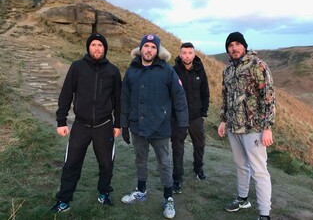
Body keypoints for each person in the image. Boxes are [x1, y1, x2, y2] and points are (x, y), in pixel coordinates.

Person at [50, 33, 122, 213]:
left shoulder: (113, 71)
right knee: (71, 164)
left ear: (105, 48)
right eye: (93, 45)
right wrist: (61, 121)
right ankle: (64, 200)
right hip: (80, 125)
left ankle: (104, 193)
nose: (97, 48)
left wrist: (118, 124)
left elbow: (119, 100)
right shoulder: (77, 67)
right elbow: (66, 94)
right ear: (88, 48)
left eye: (100, 45)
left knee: (106, 164)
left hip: (104, 126)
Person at [120, 34, 188, 219]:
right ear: (140, 49)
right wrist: (123, 124)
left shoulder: (167, 70)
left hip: (161, 127)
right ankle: (141, 191)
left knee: (165, 163)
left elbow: (179, 97)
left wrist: (182, 124)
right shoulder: (132, 70)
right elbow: (124, 99)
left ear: (157, 50)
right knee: (140, 160)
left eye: (153, 47)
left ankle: (168, 198)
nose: (149, 50)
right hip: (138, 127)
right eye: (146, 46)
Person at [217, 32, 275, 220]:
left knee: (259, 170)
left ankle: (264, 214)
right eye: (230, 45)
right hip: (234, 127)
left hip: (254, 128)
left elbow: (268, 97)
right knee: (240, 165)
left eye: (237, 44)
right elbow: (225, 97)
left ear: (244, 46)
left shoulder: (258, 65)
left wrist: (267, 127)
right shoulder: (228, 71)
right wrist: (223, 120)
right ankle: (243, 199)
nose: (234, 48)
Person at [171, 42, 210, 194]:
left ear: (194, 54)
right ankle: (177, 178)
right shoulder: (173, 71)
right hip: (179, 117)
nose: (187, 56)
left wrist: (203, 112)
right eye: (184, 53)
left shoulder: (200, 70)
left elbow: (205, 93)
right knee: (177, 147)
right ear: (180, 54)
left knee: (199, 144)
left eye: (190, 53)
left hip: (196, 117)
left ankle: (198, 169)